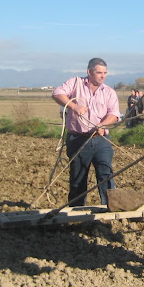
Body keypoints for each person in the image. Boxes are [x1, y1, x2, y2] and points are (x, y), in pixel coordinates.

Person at [52, 58, 121, 207]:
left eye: (105, 73)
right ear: (89, 72)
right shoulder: (75, 83)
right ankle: (76, 213)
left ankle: (110, 208)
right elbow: (57, 93)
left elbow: (114, 114)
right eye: (99, 72)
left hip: (101, 140)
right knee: (78, 177)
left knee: (106, 173)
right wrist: (74, 107)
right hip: (78, 139)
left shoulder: (109, 92)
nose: (103, 76)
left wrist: (103, 124)